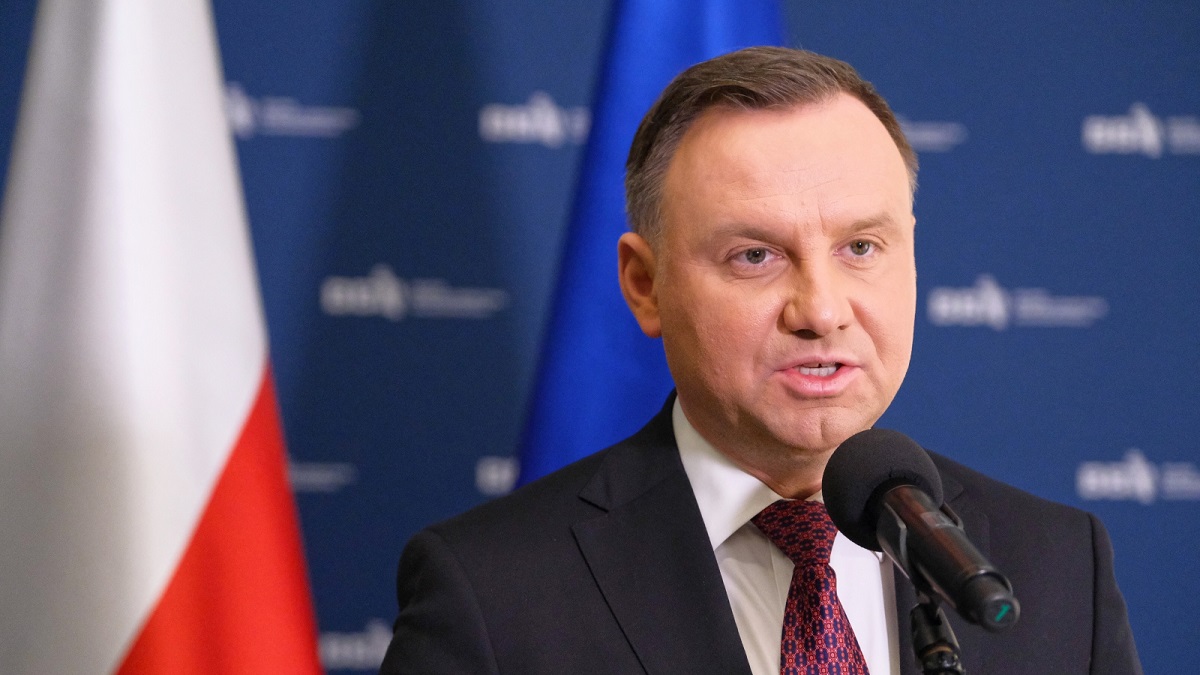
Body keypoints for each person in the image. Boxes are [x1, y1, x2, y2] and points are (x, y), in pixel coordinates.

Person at [379, 46, 1141, 675]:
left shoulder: (1058, 567)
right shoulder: (491, 593)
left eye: (861, 247)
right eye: (755, 255)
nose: (820, 309)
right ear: (644, 284)